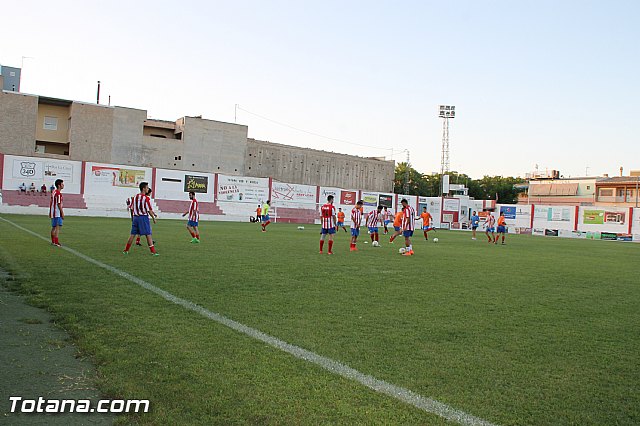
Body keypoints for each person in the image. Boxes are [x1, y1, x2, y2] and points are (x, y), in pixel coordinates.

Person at [123, 181, 158, 256]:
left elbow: (131, 208)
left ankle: (126, 250)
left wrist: (133, 217)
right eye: (147, 187)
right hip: (143, 218)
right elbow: (149, 210)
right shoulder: (146, 198)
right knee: (148, 234)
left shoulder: (135, 197)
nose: (148, 189)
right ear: (144, 188)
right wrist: (153, 218)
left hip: (136, 218)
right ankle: (153, 252)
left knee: (132, 234)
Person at [49, 179, 64, 247]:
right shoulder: (58, 193)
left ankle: (53, 241)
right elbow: (59, 204)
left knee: (54, 227)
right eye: (62, 184)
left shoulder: (54, 191)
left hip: (53, 212)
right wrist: (62, 213)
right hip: (57, 213)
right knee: (58, 227)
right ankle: (56, 242)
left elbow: (51, 201)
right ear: (59, 185)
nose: (63, 185)